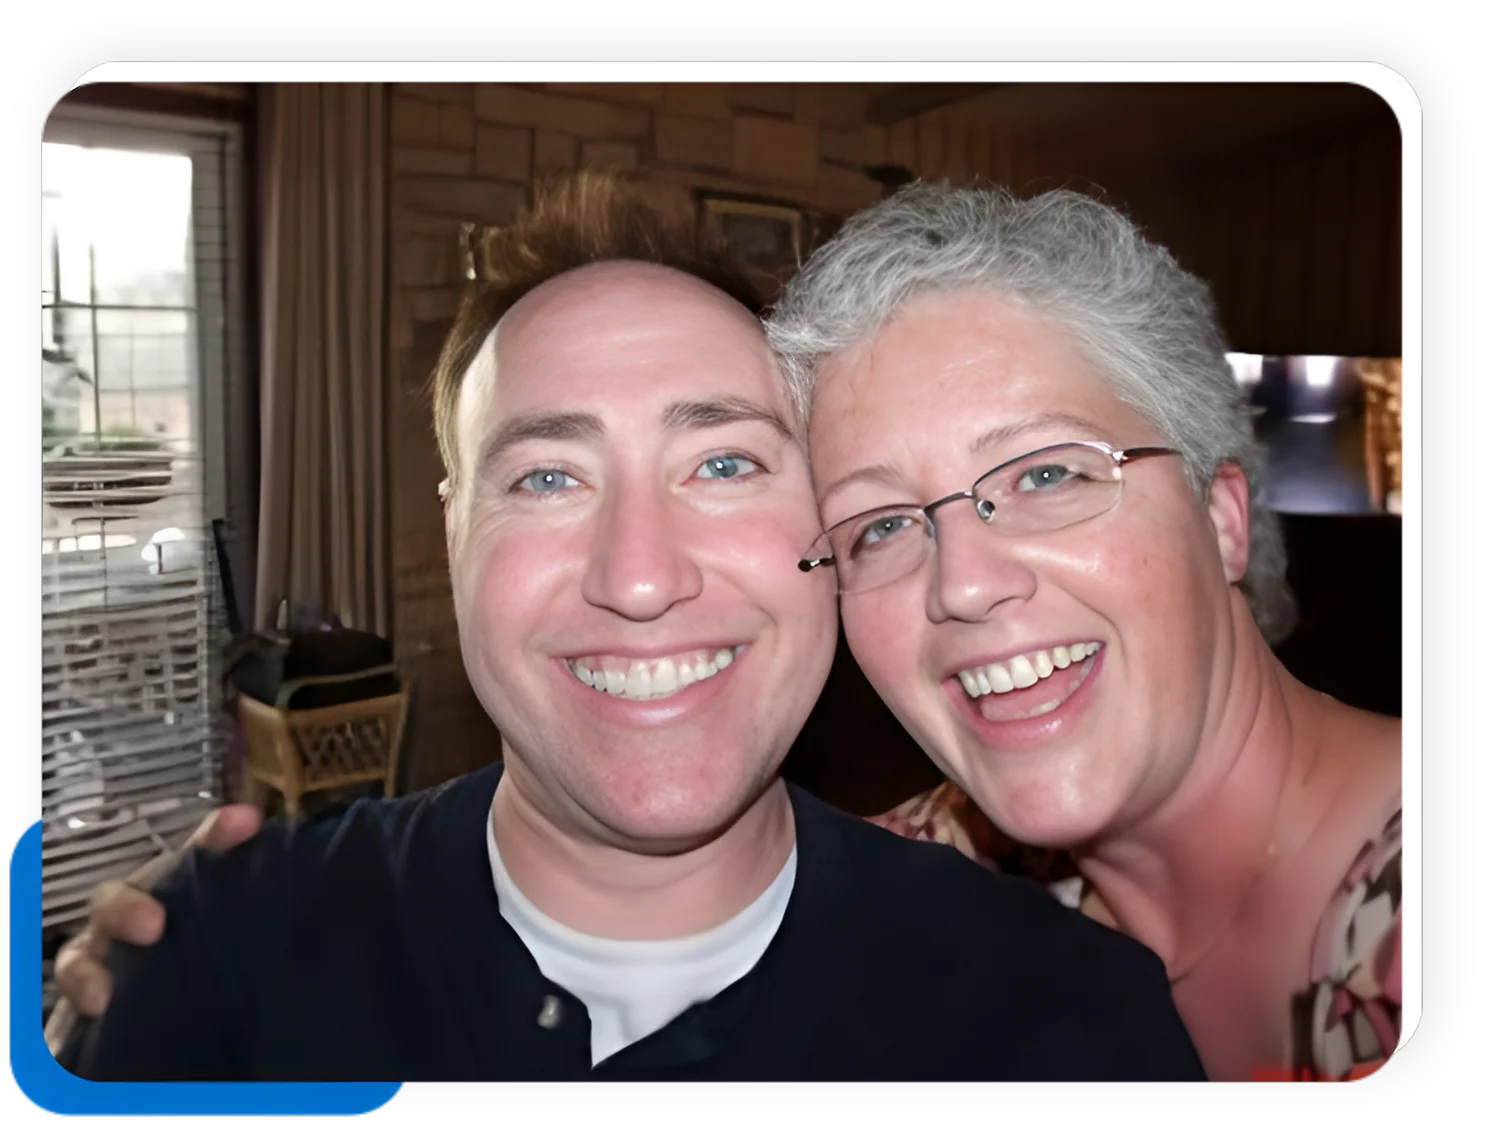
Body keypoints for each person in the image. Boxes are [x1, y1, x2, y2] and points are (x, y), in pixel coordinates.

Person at [52, 172, 1203, 1082]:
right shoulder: (219, 963)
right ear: (456, 539)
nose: (640, 579)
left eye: (722, 461)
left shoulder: (1063, 1017)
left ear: (829, 536)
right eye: (549, 479)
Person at [766, 182, 1407, 1082]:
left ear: (1221, 518)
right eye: (882, 526)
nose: (965, 583)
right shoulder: (897, 891)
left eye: (1046, 476)